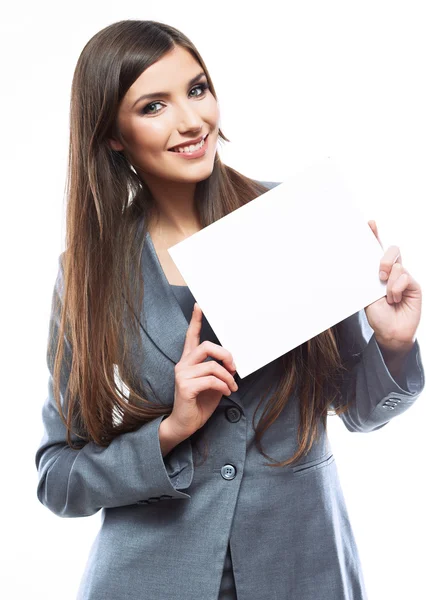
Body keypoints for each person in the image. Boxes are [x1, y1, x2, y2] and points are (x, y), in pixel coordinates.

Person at [35, 19, 425, 600]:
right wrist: (171, 431)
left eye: (197, 89)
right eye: (153, 106)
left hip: (304, 569)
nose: (191, 120)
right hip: (146, 579)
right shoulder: (88, 275)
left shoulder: (294, 218)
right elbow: (59, 479)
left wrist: (391, 345)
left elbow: (359, 409)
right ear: (112, 134)